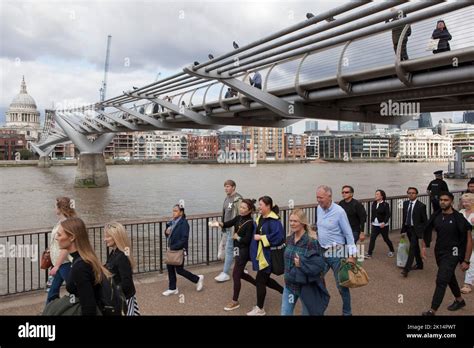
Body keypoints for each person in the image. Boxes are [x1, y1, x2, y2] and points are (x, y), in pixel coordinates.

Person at [422, 192, 472, 315]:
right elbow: (427, 229)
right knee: (449, 277)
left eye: (446, 200)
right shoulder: (437, 215)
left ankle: (432, 310)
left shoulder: (458, 218)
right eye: (441, 200)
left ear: (452, 201)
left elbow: (469, 240)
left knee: (441, 280)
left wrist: (466, 260)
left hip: (454, 253)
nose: (443, 202)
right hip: (439, 252)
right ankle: (459, 300)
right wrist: (423, 247)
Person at [315, 185, 356, 316]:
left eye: (321, 197)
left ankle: (347, 312)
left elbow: (349, 234)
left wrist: (352, 255)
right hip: (322, 251)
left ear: (329, 196)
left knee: (342, 286)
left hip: (337, 253)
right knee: (315, 278)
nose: (318, 200)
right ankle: (320, 307)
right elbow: (319, 227)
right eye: (317, 197)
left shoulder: (339, 212)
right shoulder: (318, 209)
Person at [56, 217, 109, 315]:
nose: (56, 238)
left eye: (59, 235)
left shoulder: (80, 266)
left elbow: (89, 307)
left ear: (72, 237)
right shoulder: (85, 258)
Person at [281, 209, 329, 316]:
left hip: (306, 287)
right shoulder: (289, 239)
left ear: (302, 223)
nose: (292, 224)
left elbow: (320, 265)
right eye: (291, 221)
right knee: (285, 313)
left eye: (295, 221)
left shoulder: (311, 242)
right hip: (289, 285)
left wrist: (301, 265)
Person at [212, 199, 257, 311]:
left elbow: (247, 240)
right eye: (240, 207)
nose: (241, 209)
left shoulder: (250, 223)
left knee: (236, 275)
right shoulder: (238, 218)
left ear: (250, 210)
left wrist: (238, 237)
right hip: (237, 249)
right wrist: (218, 223)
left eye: (244, 208)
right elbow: (228, 223)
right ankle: (258, 284)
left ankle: (234, 301)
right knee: (240, 273)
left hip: (243, 251)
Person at [248, 196, 284, 315]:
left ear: (268, 206)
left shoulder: (274, 221)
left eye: (261, 205)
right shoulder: (261, 218)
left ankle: (260, 308)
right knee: (265, 280)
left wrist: (262, 238)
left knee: (260, 281)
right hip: (261, 255)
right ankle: (285, 292)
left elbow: (279, 238)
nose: (259, 207)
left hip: (268, 257)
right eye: (259, 205)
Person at [162, 204, 204, 296]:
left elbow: (184, 239)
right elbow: (167, 234)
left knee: (179, 270)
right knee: (170, 268)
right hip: (171, 249)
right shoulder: (171, 222)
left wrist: (174, 247)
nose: (173, 213)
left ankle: (197, 279)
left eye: (176, 211)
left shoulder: (184, 223)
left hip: (179, 250)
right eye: (173, 211)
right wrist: (166, 232)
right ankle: (172, 288)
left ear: (181, 212)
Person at [104, 222, 140, 316]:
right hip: (120, 298)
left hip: (124, 299)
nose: (105, 239)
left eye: (108, 236)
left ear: (116, 237)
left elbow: (127, 282)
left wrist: (112, 292)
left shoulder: (122, 256)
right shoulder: (114, 252)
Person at [46, 197, 76, 304]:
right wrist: (51, 249)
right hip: (58, 263)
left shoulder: (67, 223)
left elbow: (66, 248)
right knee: (52, 291)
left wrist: (57, 266)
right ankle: (49, 310)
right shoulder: (60, 222)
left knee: (75, 289)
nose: (54, 209)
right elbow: (58, 241)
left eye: (55, 206)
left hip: (66, 263)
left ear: (60, 208)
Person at [215, 180, 243, 283]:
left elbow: (240, 215)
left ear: (233, 187)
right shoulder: (227, 198)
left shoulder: (237, 199)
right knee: (235, 248)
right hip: (226, 228)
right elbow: (226, 213)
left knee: (229, 250)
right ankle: (243, 268)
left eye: (228, 186)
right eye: (225, 187)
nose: (226, 188)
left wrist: (237, 229)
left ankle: (225, 273)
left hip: (233, 229)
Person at [401, 187, 428, 277]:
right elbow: (404, 218)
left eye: (413, 193)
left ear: (416, 194)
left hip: (416, 230)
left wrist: (422, 232)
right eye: (409, 193)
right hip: (408, 228)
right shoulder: (405, 204)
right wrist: (403, 230)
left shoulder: (421, 206)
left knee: (412, 248)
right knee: (415, 247)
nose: (411, 194)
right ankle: (420, 264)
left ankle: (406, 269)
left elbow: (425, 220)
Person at [366, 189, 395, 259]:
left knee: (386, 239)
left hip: (383, 226)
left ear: (382, 196)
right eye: (375, 194)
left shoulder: (386, 204)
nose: (375, 195)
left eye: (377, 194)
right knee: (372, 238)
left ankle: (392, 250)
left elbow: (388, 215)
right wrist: (372, 220)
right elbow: (373, 213)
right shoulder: (374, 203)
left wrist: (384, 222)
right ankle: (369, 253)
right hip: (375, 225)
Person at [458, 193, 474, 295]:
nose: (465, 204)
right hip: (464, 241)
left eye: (467, 202)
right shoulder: (461, 212)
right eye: (463, 202)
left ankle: (467, 284)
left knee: (470, 260)